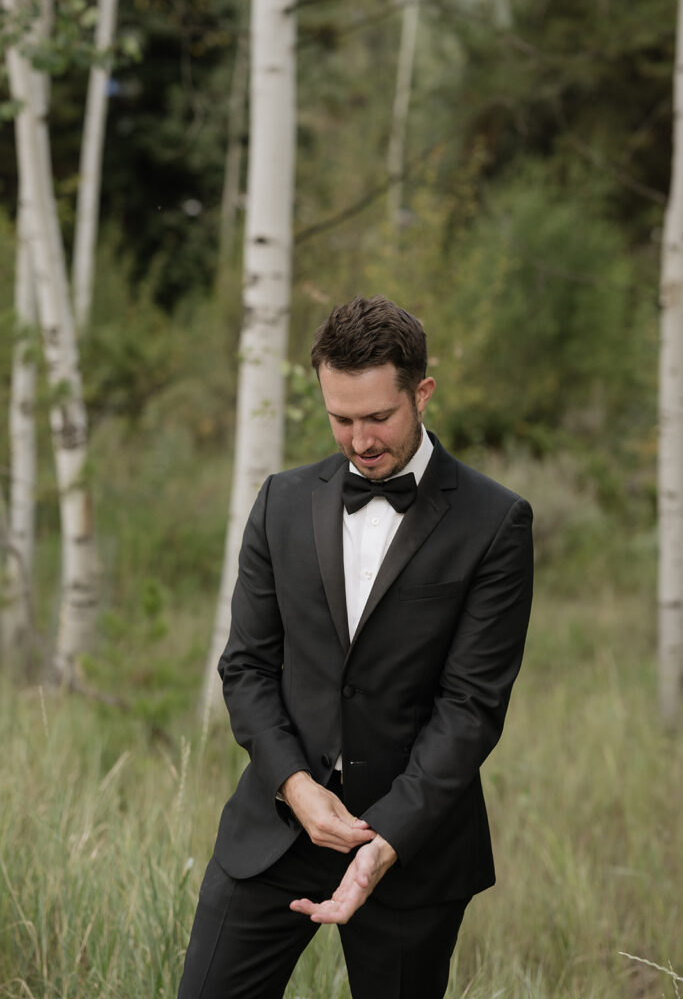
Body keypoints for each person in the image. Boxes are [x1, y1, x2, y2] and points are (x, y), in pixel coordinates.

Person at [178, 295, 534, 999]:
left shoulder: (495, 522)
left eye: (378, 417)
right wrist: (296, 787)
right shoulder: (280, 501)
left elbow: (470, 707)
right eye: (340, 419)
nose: (360, 440)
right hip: (278, 827)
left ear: (421, 393)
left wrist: (387, 839)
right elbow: (246, 667)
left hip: (412, 843)